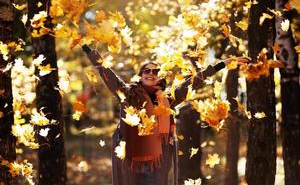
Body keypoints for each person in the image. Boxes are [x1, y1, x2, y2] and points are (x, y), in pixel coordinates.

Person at [82, 44, 249, 185]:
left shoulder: (169, 98)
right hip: (131, 161)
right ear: (141, 75)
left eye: (155, 72)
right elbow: (107, 73)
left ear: (159, 77)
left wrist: (223, 64)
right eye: (146, 71)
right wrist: (89, 50)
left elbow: (195, 81)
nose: (150, 74)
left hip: (158, 161)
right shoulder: (127, 93)